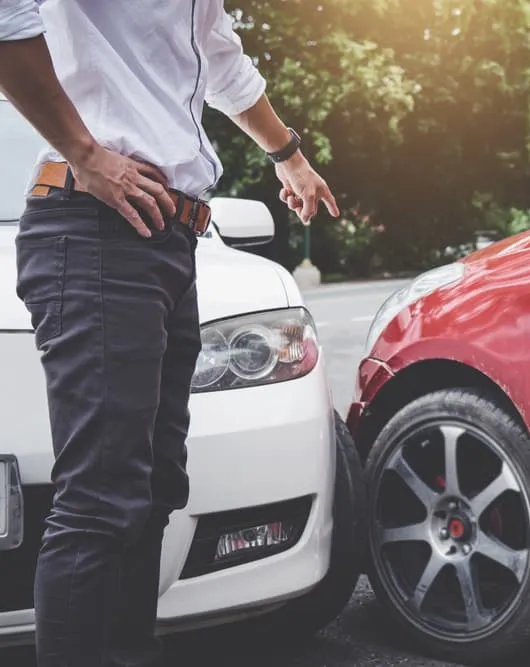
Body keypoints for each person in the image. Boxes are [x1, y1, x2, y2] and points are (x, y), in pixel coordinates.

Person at [0, 3, 338, 666]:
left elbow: (216, 52)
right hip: (95, 226)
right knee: (100, 500)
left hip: (166, 236)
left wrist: (288, 155)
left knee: (151, 490)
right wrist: (84, 150)